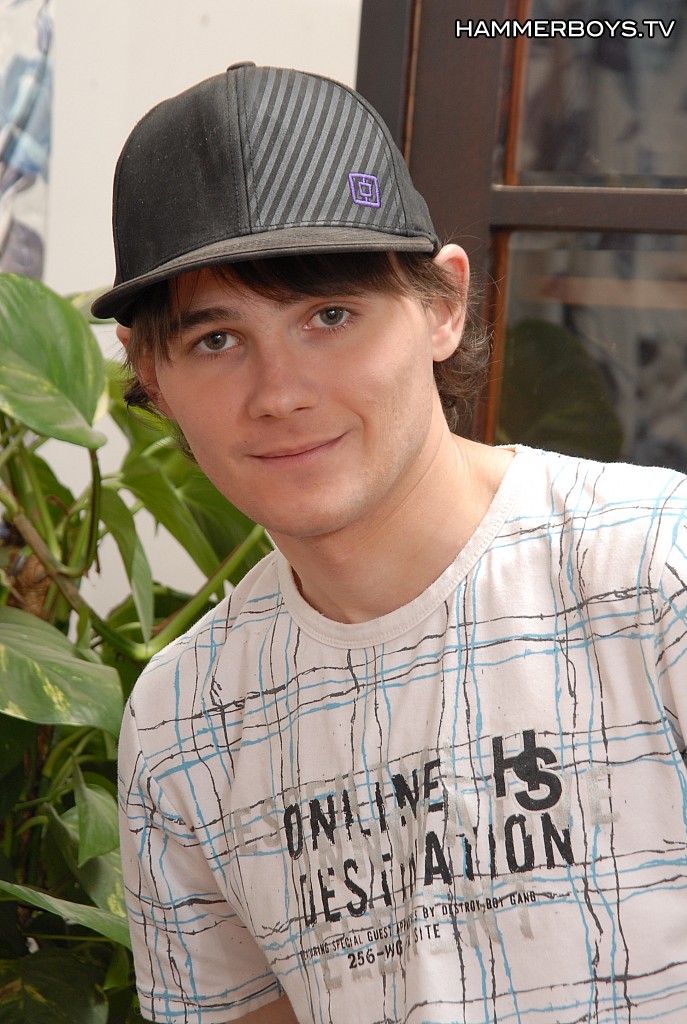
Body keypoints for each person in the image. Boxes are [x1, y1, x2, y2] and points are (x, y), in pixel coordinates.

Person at [93, 63, 687, 1024]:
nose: (280, 392)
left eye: (329, 317)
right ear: (149, 373)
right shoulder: (183, 719)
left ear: (442, 304)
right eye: (216, 340)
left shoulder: (654, 571)